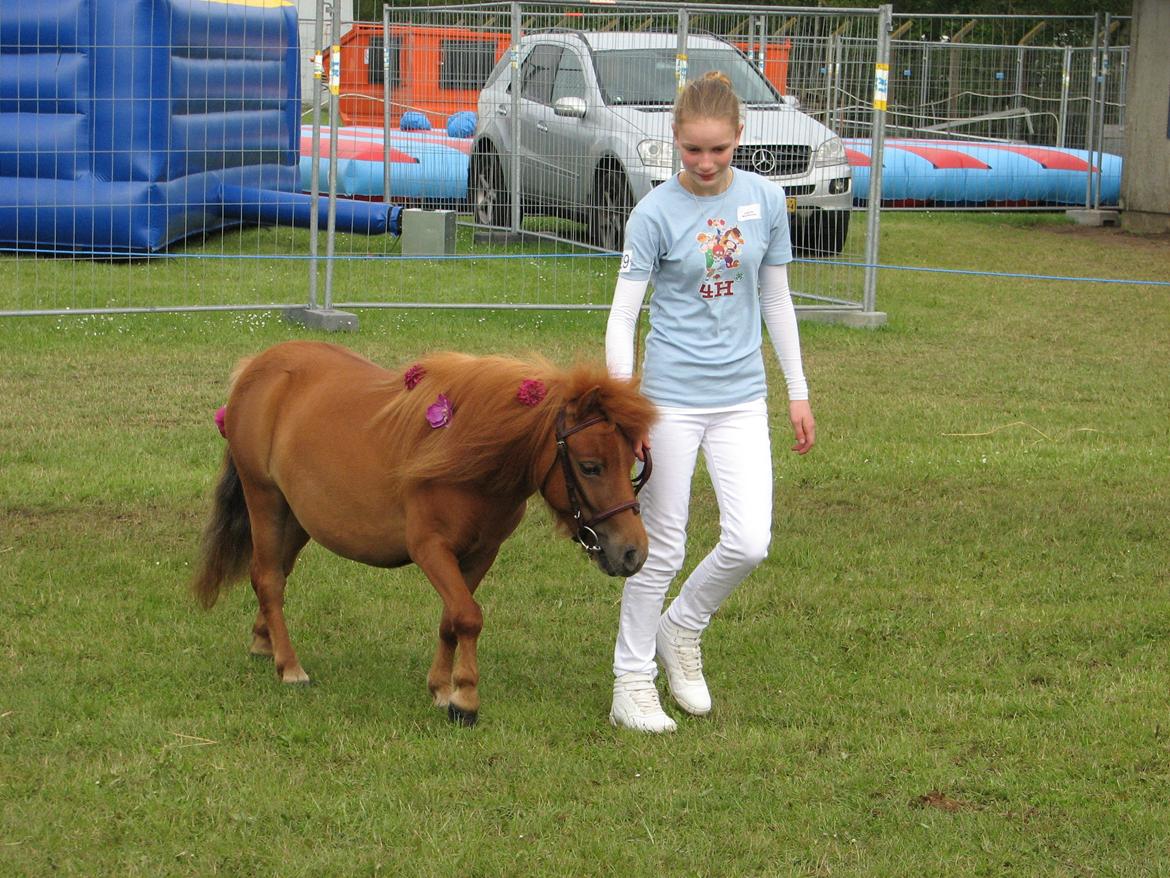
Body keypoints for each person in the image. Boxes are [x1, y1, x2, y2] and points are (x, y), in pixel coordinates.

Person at [604, 71, 816, 733]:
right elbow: (622, 319)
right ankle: (630, 681)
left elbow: (776, 300)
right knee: (660, 547)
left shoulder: (766, 201)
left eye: (718, 150)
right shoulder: (654, 213)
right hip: (669, 402)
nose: (704, 163)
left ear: (738, 139)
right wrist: (624, 414)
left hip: (741, 398)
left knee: (751, 541)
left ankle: (683, 628)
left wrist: (797, 391)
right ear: (675, 140)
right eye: (692, 149)